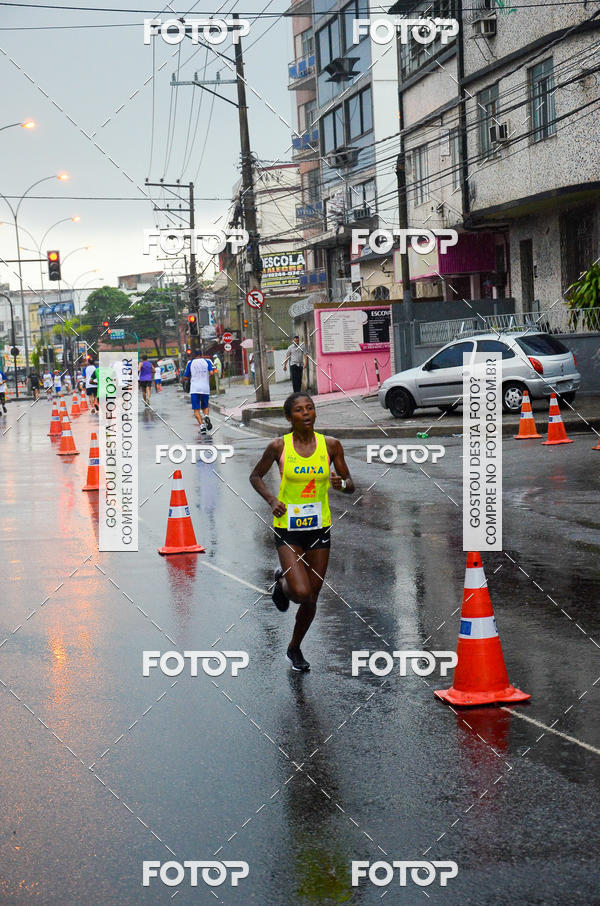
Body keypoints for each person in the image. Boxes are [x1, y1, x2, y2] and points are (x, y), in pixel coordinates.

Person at [249, 392, 355, 672]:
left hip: (320, 528)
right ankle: (281, 582)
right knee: (299, 591)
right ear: (289, 417)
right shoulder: (278, 446)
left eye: (310, 408)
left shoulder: (331, 445)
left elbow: (349, 484)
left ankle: (294, 648)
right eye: (299, 410)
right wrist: (273, 501)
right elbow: (255, 476)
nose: (306, 413)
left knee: (311, 597)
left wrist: (340, 484)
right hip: (289, 528)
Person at [184, 350, 214, 434]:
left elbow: (186, 377)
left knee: (196, 409)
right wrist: (207, 377)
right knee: (205, 406)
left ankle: (202, 427)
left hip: (195, 389)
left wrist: (191, 377)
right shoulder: (207, 361)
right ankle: (206, 416)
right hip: (205, 388)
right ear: (202, 355)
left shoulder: (190, 363)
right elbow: (211, 372)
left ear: (194, 356)